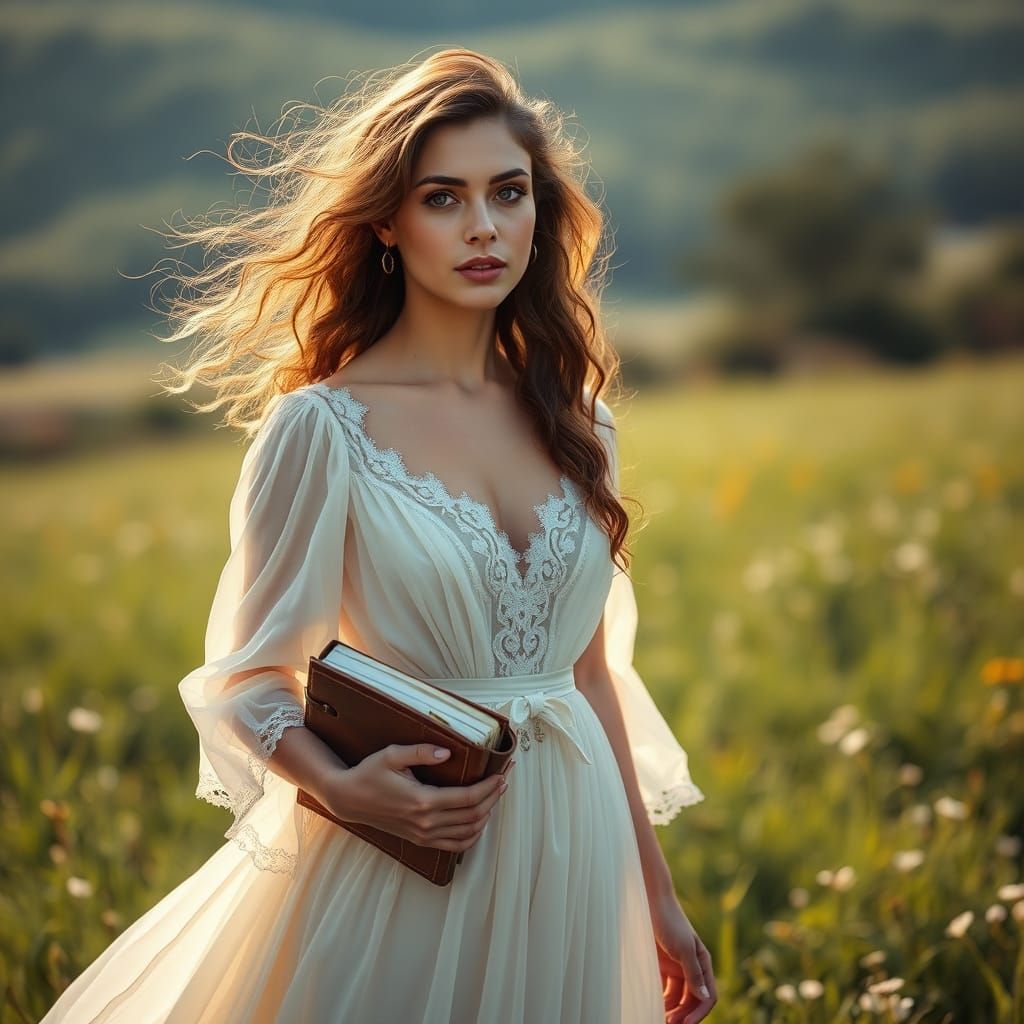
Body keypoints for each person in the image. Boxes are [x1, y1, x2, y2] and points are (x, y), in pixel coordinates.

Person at [41, 47, 715, 1024]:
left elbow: (588, 673)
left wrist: (652, 893)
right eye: (443, 198)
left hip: (574, 858)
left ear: (539, 212)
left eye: (507, 193)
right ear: (389, 222)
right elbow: (247, 679)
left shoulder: (581, 422)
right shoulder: (321, 428)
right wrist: (349, 792)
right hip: (409, 855)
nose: (483, 226)